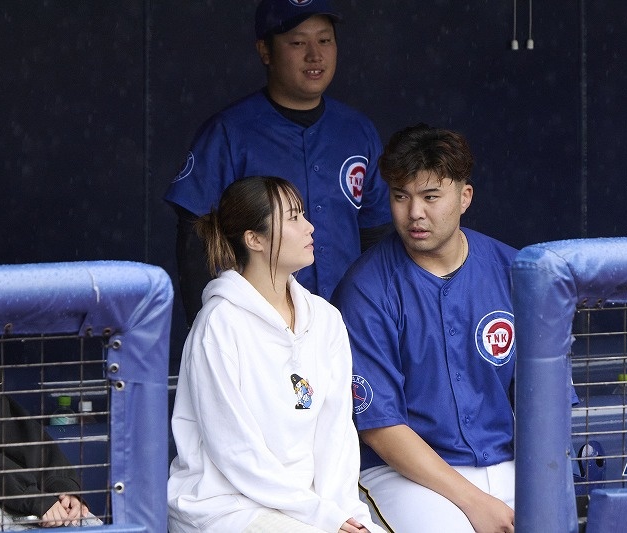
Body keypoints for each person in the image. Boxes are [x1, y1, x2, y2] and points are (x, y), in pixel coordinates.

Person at [167, 176, 386, 533]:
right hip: (227, 507)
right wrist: (322, 516)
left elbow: (336, 437)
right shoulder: (219, 324)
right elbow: (235, 451)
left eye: (304, 215)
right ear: (254, 239)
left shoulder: (326, 319)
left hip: (308, 509)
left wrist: (346, 514)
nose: (309, 227)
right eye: (294, 218)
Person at [331, 124, 522, 532]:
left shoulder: (515, 271)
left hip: (508, 460)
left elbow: (546, 400)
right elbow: (381, 427)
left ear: (464, 197)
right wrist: (476, 502)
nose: (414, 212)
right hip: (407, 475)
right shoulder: (365, 288)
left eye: (430, 196)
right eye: (401, 196)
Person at [165, 0, 392, 325]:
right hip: (258, 327)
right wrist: (210, 326)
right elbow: (196, 241)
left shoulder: (357, 131)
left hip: (346, 326)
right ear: (265, 51)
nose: (315, 55)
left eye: (324, 40)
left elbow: (376, 236)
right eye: (298, 43)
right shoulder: (229, 132)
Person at [0, 348, 97, 529]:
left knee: (84, 521)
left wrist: (63, 488)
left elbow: (21, 433)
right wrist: (32, 498)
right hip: (6, 497)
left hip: (19, 492)